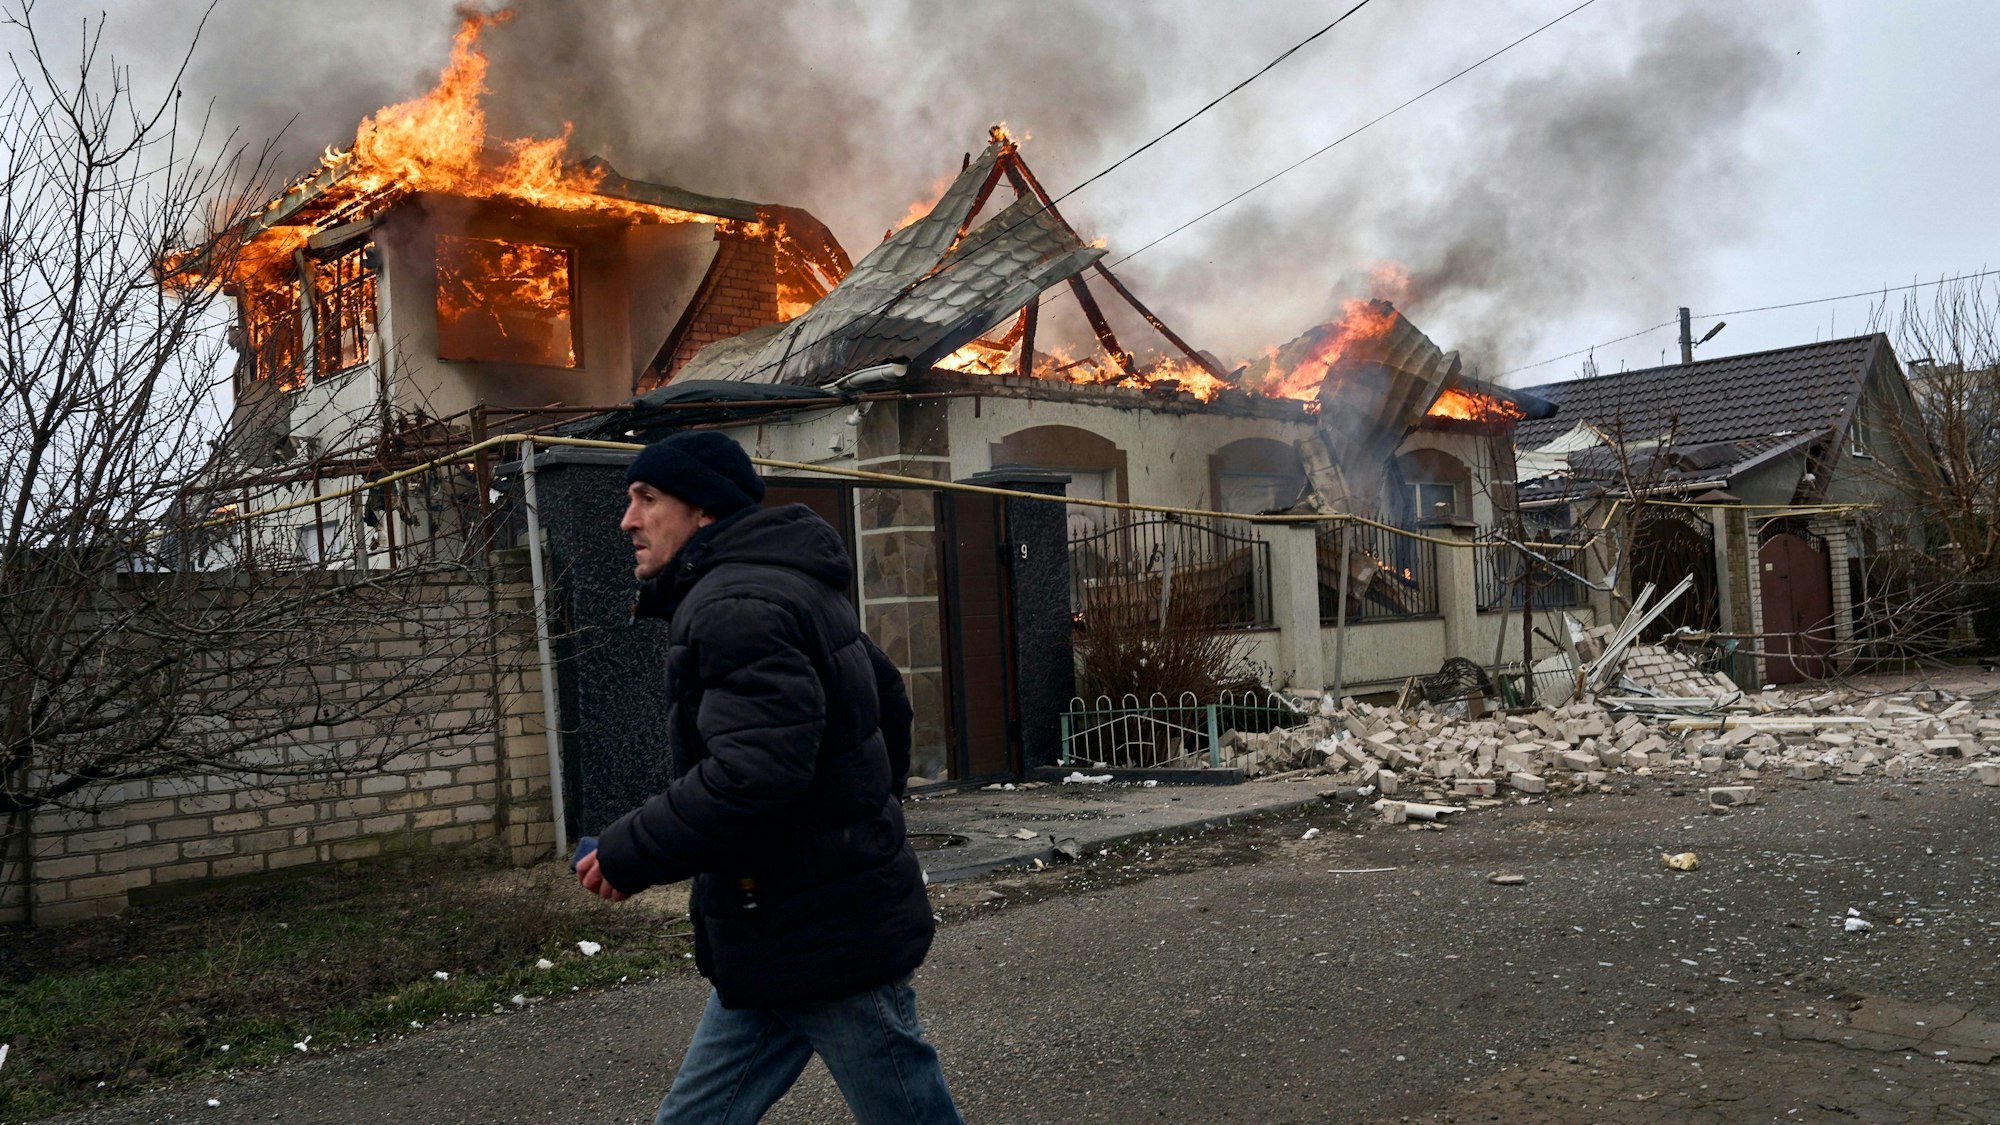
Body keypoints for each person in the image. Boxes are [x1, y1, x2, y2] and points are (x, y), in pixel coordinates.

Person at [573, 430, 960, 1125]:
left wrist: (630, 849)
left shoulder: (735, 605)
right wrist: (862, 818)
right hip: (777, 926)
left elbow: (750, 776)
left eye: (646, 498)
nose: (628, 519)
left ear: (704, 511)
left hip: (823, 934)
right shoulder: (785, 583)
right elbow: (889, 700)